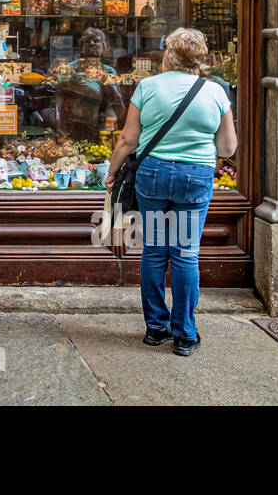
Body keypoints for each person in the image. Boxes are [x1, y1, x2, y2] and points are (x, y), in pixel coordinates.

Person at [105, 27, 236, 357]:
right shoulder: (217, 91)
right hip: (196, 175)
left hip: (153, 172)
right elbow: (229, 147)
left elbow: (127, 140)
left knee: (154, 250)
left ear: (169, 55)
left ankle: (155, 329)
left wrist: (112, 172)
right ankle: (185, 335)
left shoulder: (148, 86)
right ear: (200, 57)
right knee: (185, 253)